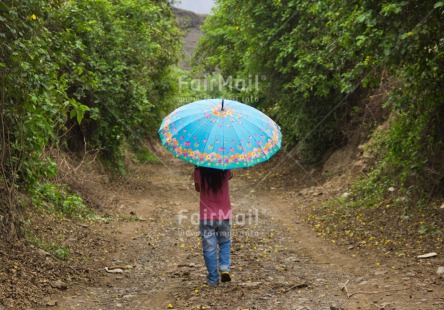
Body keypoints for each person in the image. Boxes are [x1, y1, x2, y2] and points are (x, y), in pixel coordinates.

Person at [194, 166, 233, 286]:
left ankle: (213, 279)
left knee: (209, 248)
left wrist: (197, 170)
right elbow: (231, 176)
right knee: (225, 242)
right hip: (224, 214)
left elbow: (198, 189)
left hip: (206, 216)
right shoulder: (225, 170)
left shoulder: (199, 172)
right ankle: (224, 267)